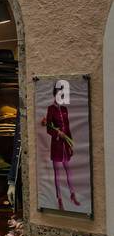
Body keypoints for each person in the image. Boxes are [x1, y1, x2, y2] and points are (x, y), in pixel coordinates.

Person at [43, 83, 79, 211]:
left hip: (65, 145)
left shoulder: (64, 109)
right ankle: (59, 198)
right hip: (57, 145)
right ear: (54, 94)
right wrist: (57, 133)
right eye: (58, 94)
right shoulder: (50, 109)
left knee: (69, 172)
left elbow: (68, 127)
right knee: (57, 174)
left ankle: (72, 194)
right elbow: (48, 128)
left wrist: (70, 144)